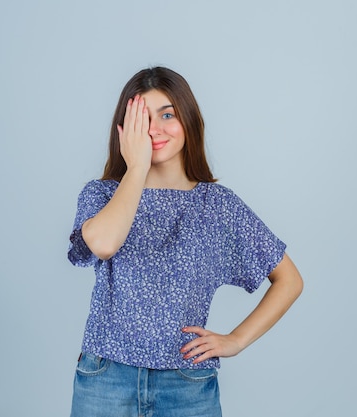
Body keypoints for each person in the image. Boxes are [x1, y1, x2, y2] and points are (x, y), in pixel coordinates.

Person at [67, 66, 303, 417]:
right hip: (106, 377)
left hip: (186, 383)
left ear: (189, 121)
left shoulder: (217, 205)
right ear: (125, 131)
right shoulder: (101, 195)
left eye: (167, 114)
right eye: (142, 119)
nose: (155, 129)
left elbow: (290, 281)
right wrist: (136, 169)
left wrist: (235, 340)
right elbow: (104, 243)